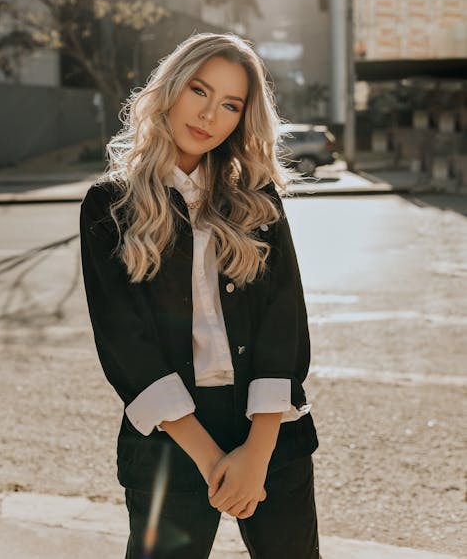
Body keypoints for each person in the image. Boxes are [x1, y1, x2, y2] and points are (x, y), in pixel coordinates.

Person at [80, 33, 320, 559]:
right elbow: (125, 342)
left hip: (270, 433)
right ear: (170, 88)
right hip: (170, 441)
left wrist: (255, 455)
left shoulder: (257, 198)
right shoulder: (110, 204)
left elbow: (285, 323)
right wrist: (214, 462)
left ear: (242, 118)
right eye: (199, 90)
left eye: (230, 104)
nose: (209, 115)